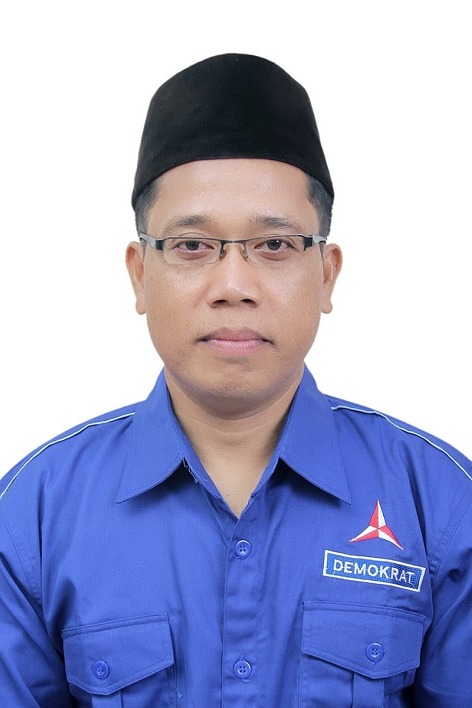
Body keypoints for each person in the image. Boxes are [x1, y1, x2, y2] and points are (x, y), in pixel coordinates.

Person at [0, 53, 471, 707]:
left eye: (274, 245)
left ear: (326, 274)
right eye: (191, 245)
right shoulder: (33, 514)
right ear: (139, 274)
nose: (232, 285)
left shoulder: (441, 502)